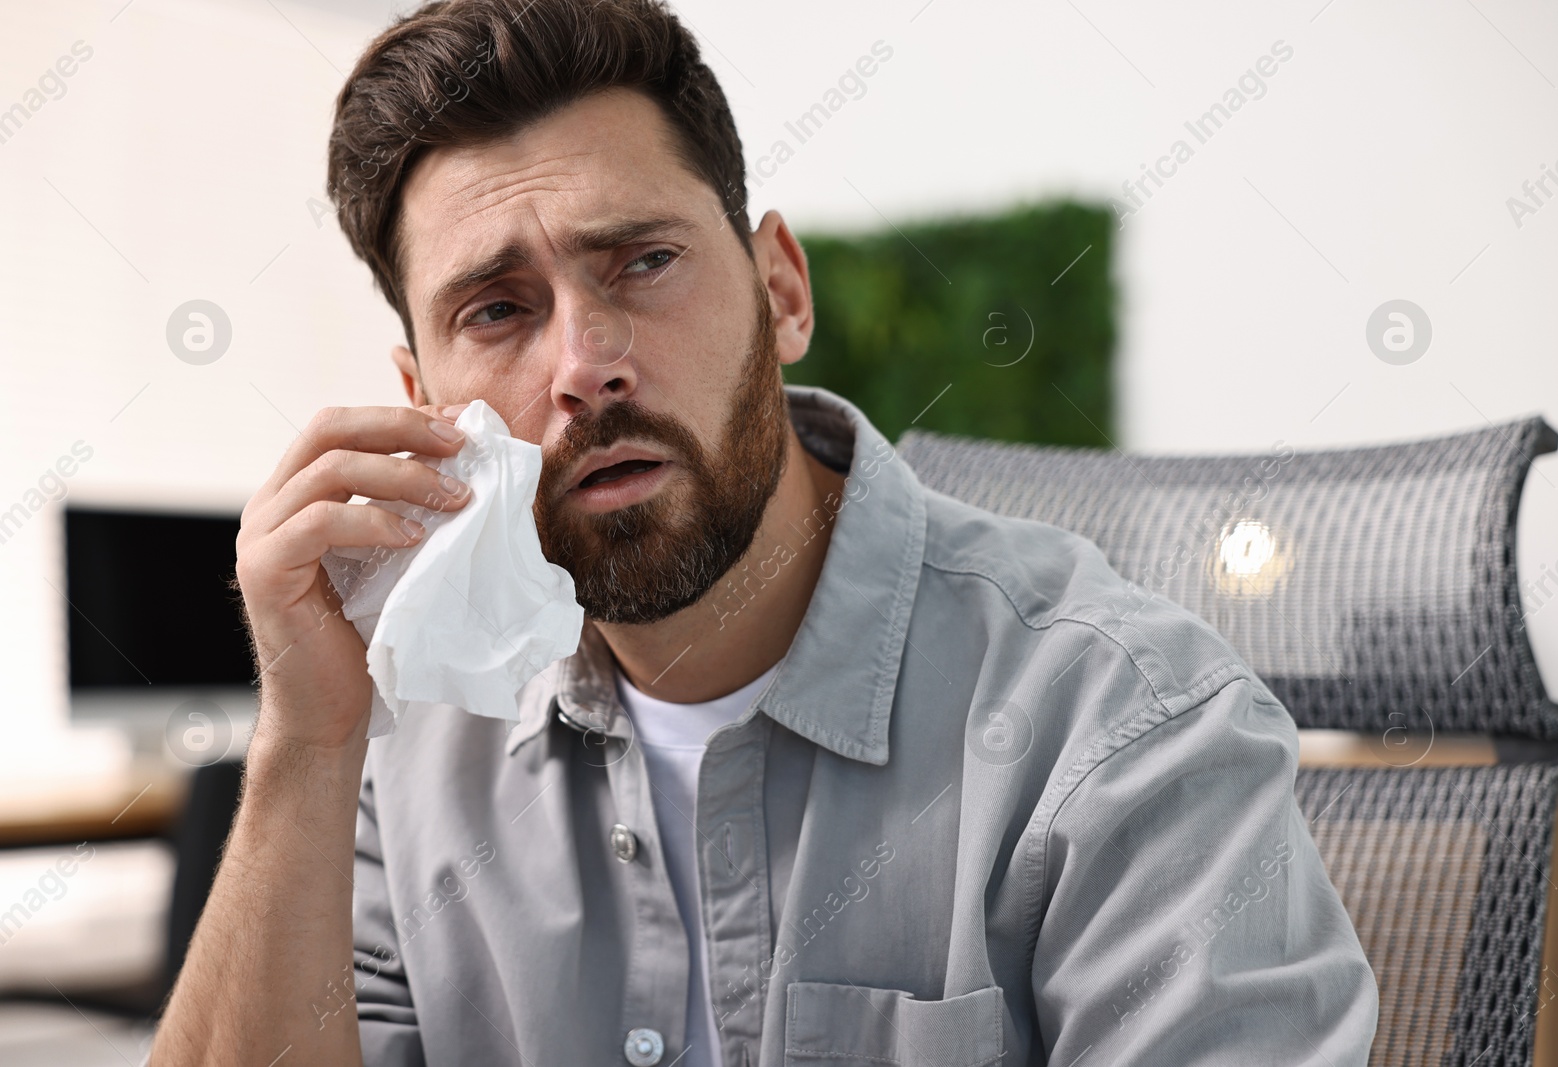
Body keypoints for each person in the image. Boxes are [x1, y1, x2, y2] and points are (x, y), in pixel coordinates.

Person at [150, 1, 1379, 1064]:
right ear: (428, 400)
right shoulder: (405, 744)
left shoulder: (1123, 722)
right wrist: (307, 738)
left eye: (640, 261)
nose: (586, 363)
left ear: (780, 291)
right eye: (498, 308)